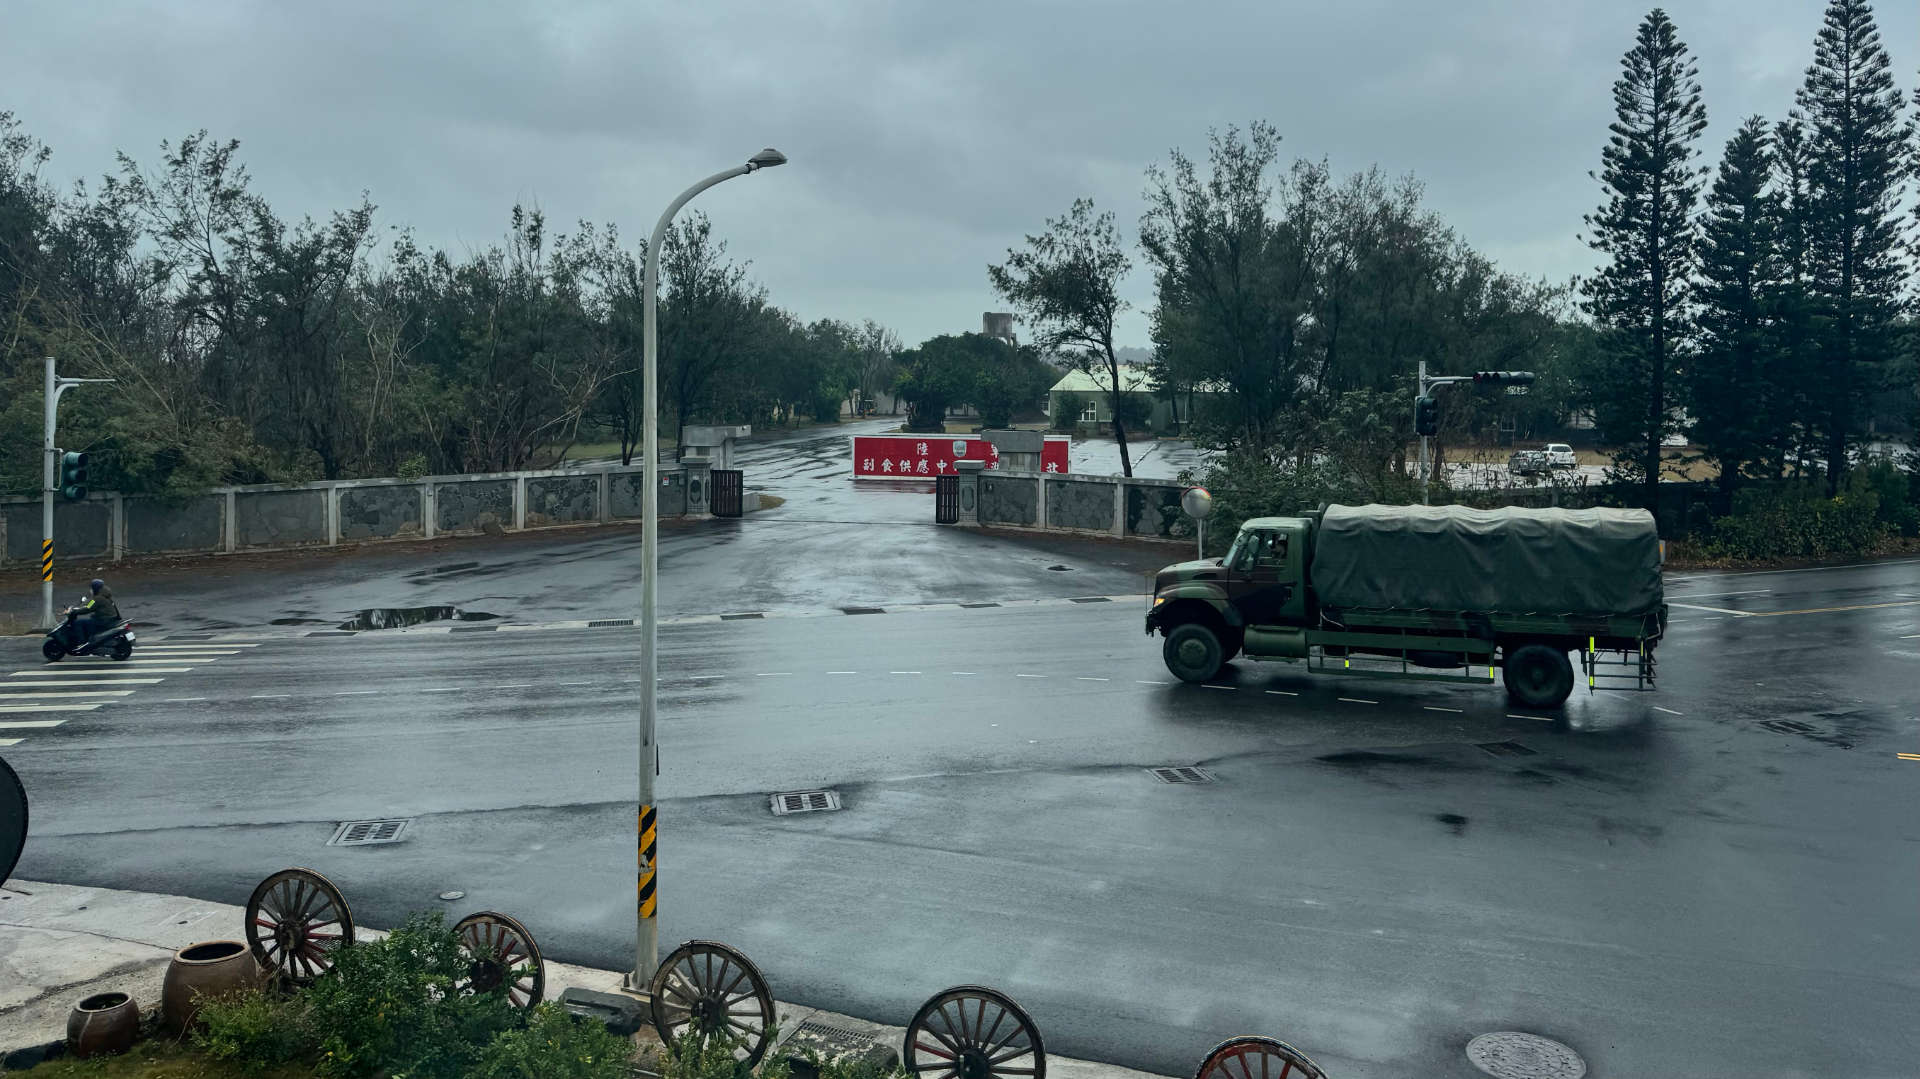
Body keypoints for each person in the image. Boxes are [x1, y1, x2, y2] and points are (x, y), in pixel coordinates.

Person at [71, 578, 121, 645]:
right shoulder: (106, 596)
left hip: (103, 620)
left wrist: (75, 611)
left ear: (95, 589)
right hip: (109, 618)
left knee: (78, 623)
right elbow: (89, 607)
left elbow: (88, 608)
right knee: (89, 621)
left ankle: (82, 642)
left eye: (91, 589)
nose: (90, 590)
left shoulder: (97, 599)